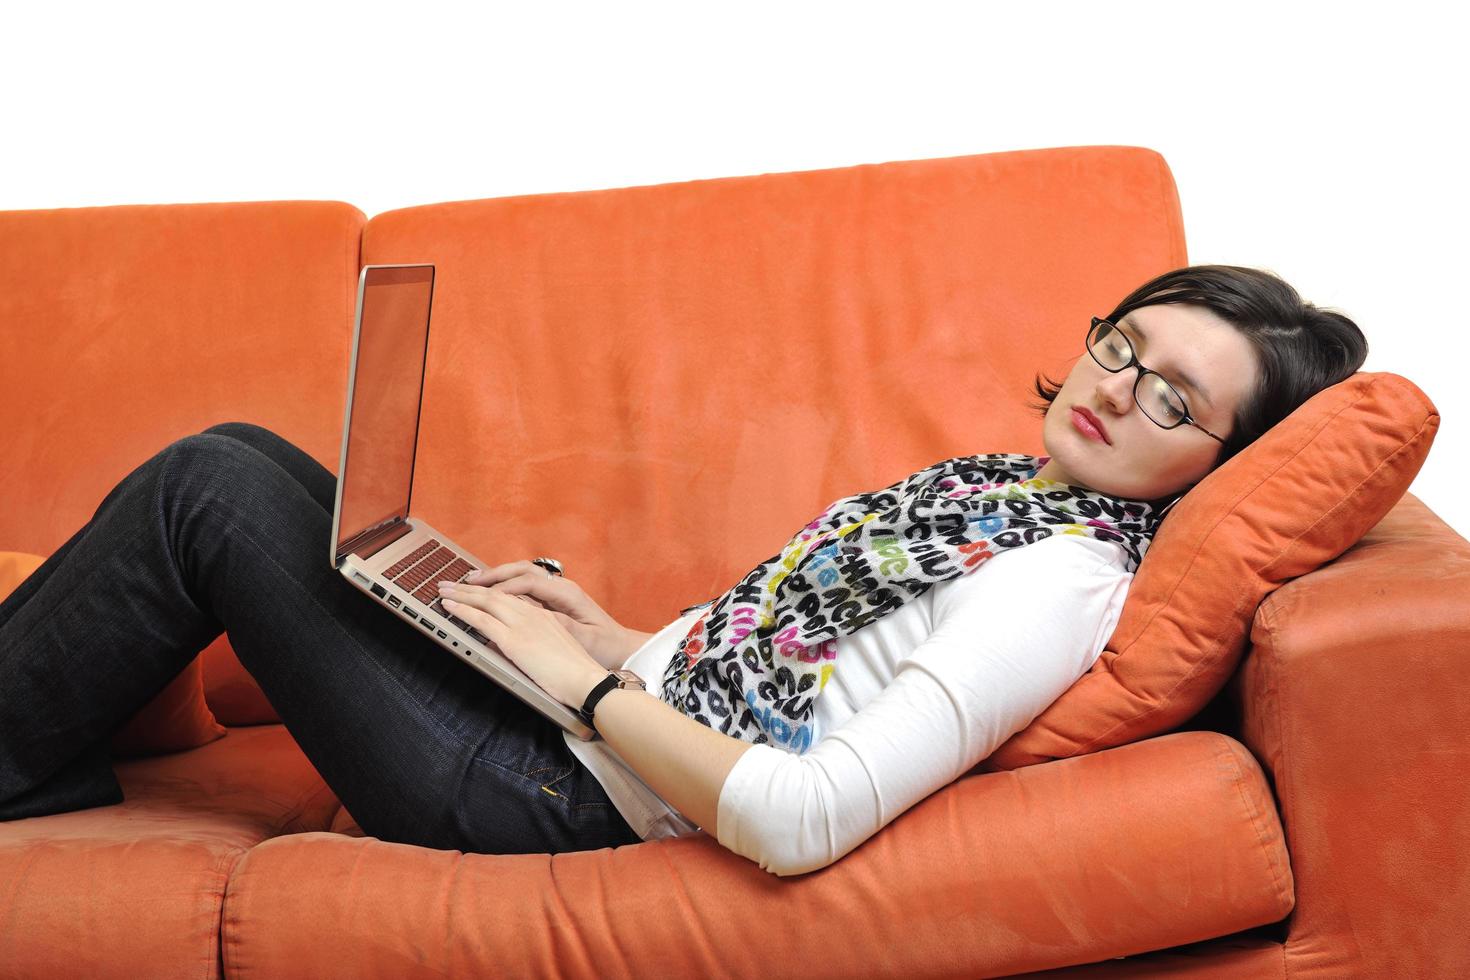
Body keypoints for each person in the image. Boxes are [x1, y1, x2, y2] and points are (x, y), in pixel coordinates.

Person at [0, 264, 1367, 877]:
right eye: (1124, 347)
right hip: (571, 727)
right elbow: (788, 667)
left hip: (552, 798)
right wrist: (598, 636)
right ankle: (36, 754)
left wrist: (586, 701)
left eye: (1177, 403)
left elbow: (805, 814)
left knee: (207, 488)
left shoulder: (1054, 581)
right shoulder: (1003, 495)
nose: (1119, 391)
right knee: (250, 452)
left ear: (1218, 461)